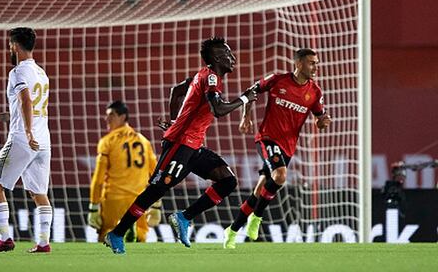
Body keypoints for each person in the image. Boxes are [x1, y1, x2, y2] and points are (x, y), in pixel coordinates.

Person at [104, 37, 257, 254]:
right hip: (180, 143)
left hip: (193, 145)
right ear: (215, 58)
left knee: (227, 181)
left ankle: (184, 217)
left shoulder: (202, 75)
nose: (232, 58)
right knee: (156, 190)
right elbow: (218, 110)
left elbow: (176, 91)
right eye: (227, 54)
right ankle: (117, 234)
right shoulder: (211, 77)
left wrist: (175, 119)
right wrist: (244, 99)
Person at [223, 48, 332, 249]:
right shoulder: (277, 80)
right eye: (311, 62)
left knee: (260, 189)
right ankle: (257, 217)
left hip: (288, 146)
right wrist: (246, 116)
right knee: (280, 175)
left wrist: (322, 123)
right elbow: (251, 92)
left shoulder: (315, 92)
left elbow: (320, 117)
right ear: (298, 64)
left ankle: (233, 230)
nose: (315, 67)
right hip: (267, 138)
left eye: (316, 63)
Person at [0, 27, 52, 254]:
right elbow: (28, 107)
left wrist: (28, 132)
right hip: (44, 142)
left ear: (14, 46)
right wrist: (1, 117)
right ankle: (43, 242)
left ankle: (4, 238)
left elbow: (26, 101)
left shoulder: (18, 72)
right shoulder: (41, 73)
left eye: (9, 45)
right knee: (39, 193)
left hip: (23, 139)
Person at [87, 100, 159, 243]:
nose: (106, 119)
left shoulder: (107, 142)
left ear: (123, 117)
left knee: (107, 238)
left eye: (111, 115)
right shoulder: (144, 141)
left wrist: (93, 207)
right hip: (139, 201)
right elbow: (157, 176)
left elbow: (98, 178)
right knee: (141, 238)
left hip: (113, 200)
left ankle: (121, 233)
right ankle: (134, 232)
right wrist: (156, 205)